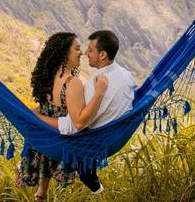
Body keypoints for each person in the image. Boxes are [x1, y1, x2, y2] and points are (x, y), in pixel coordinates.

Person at [35, 30, 137, 194]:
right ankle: (46, 189)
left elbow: (76, 125)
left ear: (102, 55)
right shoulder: (127, 76)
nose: (85, 53)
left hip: (89, 141)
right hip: (113, 133)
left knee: (47, 125)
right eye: (79, 49)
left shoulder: (93, 85)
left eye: (90, 50)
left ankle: (84, 169)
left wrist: (35, 118)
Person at [16, 32, 85, 202]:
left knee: (41, 189)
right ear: (64, 53)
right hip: (58, 137)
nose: (81, 53)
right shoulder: (73, 83)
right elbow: (77, 123)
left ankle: (41, 192)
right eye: (77, 49)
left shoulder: (47, 77)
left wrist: (31, 116)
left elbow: (46, 108)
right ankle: (41, 192)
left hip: (40, 138)